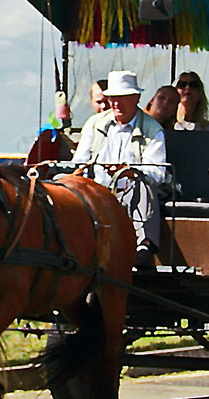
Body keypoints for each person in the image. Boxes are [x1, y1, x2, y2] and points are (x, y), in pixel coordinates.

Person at [71, 70, 168, 265]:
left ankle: (144, 246)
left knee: (142, 184)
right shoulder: (94, 124)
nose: (115, 103)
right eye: (112, 98)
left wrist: (130, 171)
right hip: (97, 189)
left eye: (122, 97)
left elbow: (158, 173)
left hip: (130, 191)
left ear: (136, 98)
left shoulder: (153, 129)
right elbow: (80, 162)